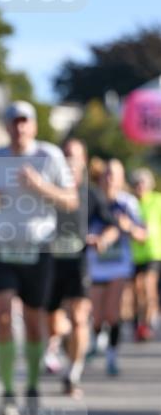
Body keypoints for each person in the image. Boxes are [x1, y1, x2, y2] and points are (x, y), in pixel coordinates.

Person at [0, 101, 78, 415]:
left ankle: (31, 385)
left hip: (38, 247)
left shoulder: (49, 156)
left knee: (34, 324)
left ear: (33, 125)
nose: (19, 128)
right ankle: (7, 392)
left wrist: (40, 186)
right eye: (13, 122)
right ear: (5, 127)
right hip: (1, 247)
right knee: (2, 314)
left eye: (24, 122)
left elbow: (71, 200)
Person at [45, 139, 119, 398]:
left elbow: (112, 226)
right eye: (65, 156)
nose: (69, 162)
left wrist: (102, 239)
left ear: (84, 162)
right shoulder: (47, 191)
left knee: (78, 318)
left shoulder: (91, 194)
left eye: (74, 157)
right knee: (53, 324)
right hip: (50, 264)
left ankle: (72, 374)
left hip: (78, 263)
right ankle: (66, 341)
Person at [87, 159, 146, 375]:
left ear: (122, 179)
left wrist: (127, 226)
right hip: (95, 265)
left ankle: (112, 356)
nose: (110, 179)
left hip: (119, 266)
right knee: (97, 315)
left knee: (113, 314)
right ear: (101, 177)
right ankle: (95, 341)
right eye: (107, 174)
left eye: (115, 175)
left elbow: (142, 235)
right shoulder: (91, 200)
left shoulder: (127, 202)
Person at [130, 167, 161, 341]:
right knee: (137, 290)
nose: (140, 187)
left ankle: (148, 324)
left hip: (154, 252)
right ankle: (138, 323)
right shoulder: (132, 203)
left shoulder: (157, 200)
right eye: (137, 184)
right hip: (135, 254)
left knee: (148, 286)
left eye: (143, 183)